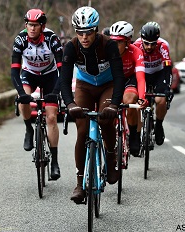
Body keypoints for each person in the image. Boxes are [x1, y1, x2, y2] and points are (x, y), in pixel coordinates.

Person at [60, 6, 125, 203]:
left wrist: (114, 105)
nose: (84, 37)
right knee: (82, 130)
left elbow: (120, 77)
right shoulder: (71, 47)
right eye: (80, 32)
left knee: (106, 118)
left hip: (107, 85)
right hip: (84, 87)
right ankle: (80, 184)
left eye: (88, 32)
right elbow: (63, 80)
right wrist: (70, 104)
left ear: (96, 30)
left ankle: (112, 159)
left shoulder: (109, 45)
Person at [11, 9, 63, 180]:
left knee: (51, 117)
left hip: (50, 76)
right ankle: (28, 129)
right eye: (29, 25)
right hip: (29, 74)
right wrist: (21, 94)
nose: (32, 29)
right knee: (23, 100)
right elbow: (14, 71)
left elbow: (63, 69)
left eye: (36, 25)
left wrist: (55, 93)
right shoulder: (20, 40)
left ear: (43, 26)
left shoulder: (51, 39)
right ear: (25, 25)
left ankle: (54, 162)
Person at [109, 21, 148, 156]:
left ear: (127, 42)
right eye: (112, 41)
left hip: (129, 80)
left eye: (118, 42)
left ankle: (134, 136)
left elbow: (141, 78)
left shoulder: (136, 52)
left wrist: (142, 98)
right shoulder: (106, 50)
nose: (114, 45)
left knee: (129, 101)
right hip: (112, 80)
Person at [133, 21, 173, 146]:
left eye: (152, 44)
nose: (149, 47)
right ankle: (137, 134)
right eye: (146, 43)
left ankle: (159, 126)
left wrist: (167, 86)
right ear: (141, 40)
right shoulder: (136, 45)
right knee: (137, 102)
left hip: (158, 73)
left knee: (161, 100)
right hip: (142, 73)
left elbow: (167, 68)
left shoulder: (163, 45)